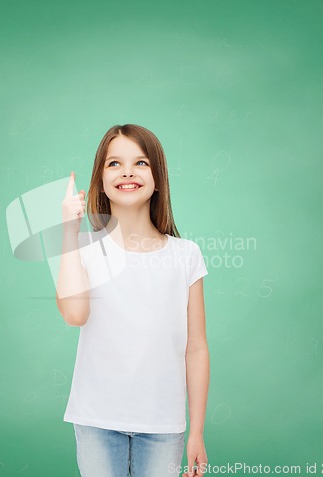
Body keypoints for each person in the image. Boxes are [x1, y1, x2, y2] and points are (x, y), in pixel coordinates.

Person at [56, 124, 210, 477]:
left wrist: (197, 431)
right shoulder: (83, 248)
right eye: (114, 164)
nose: (127, 171)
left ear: (158, 178)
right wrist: (68, 231)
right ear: (100, 180)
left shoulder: (185, 255)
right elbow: (75, 314)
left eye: (140, 162)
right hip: (96, 419)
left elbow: (196, 348)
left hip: (163, 424)